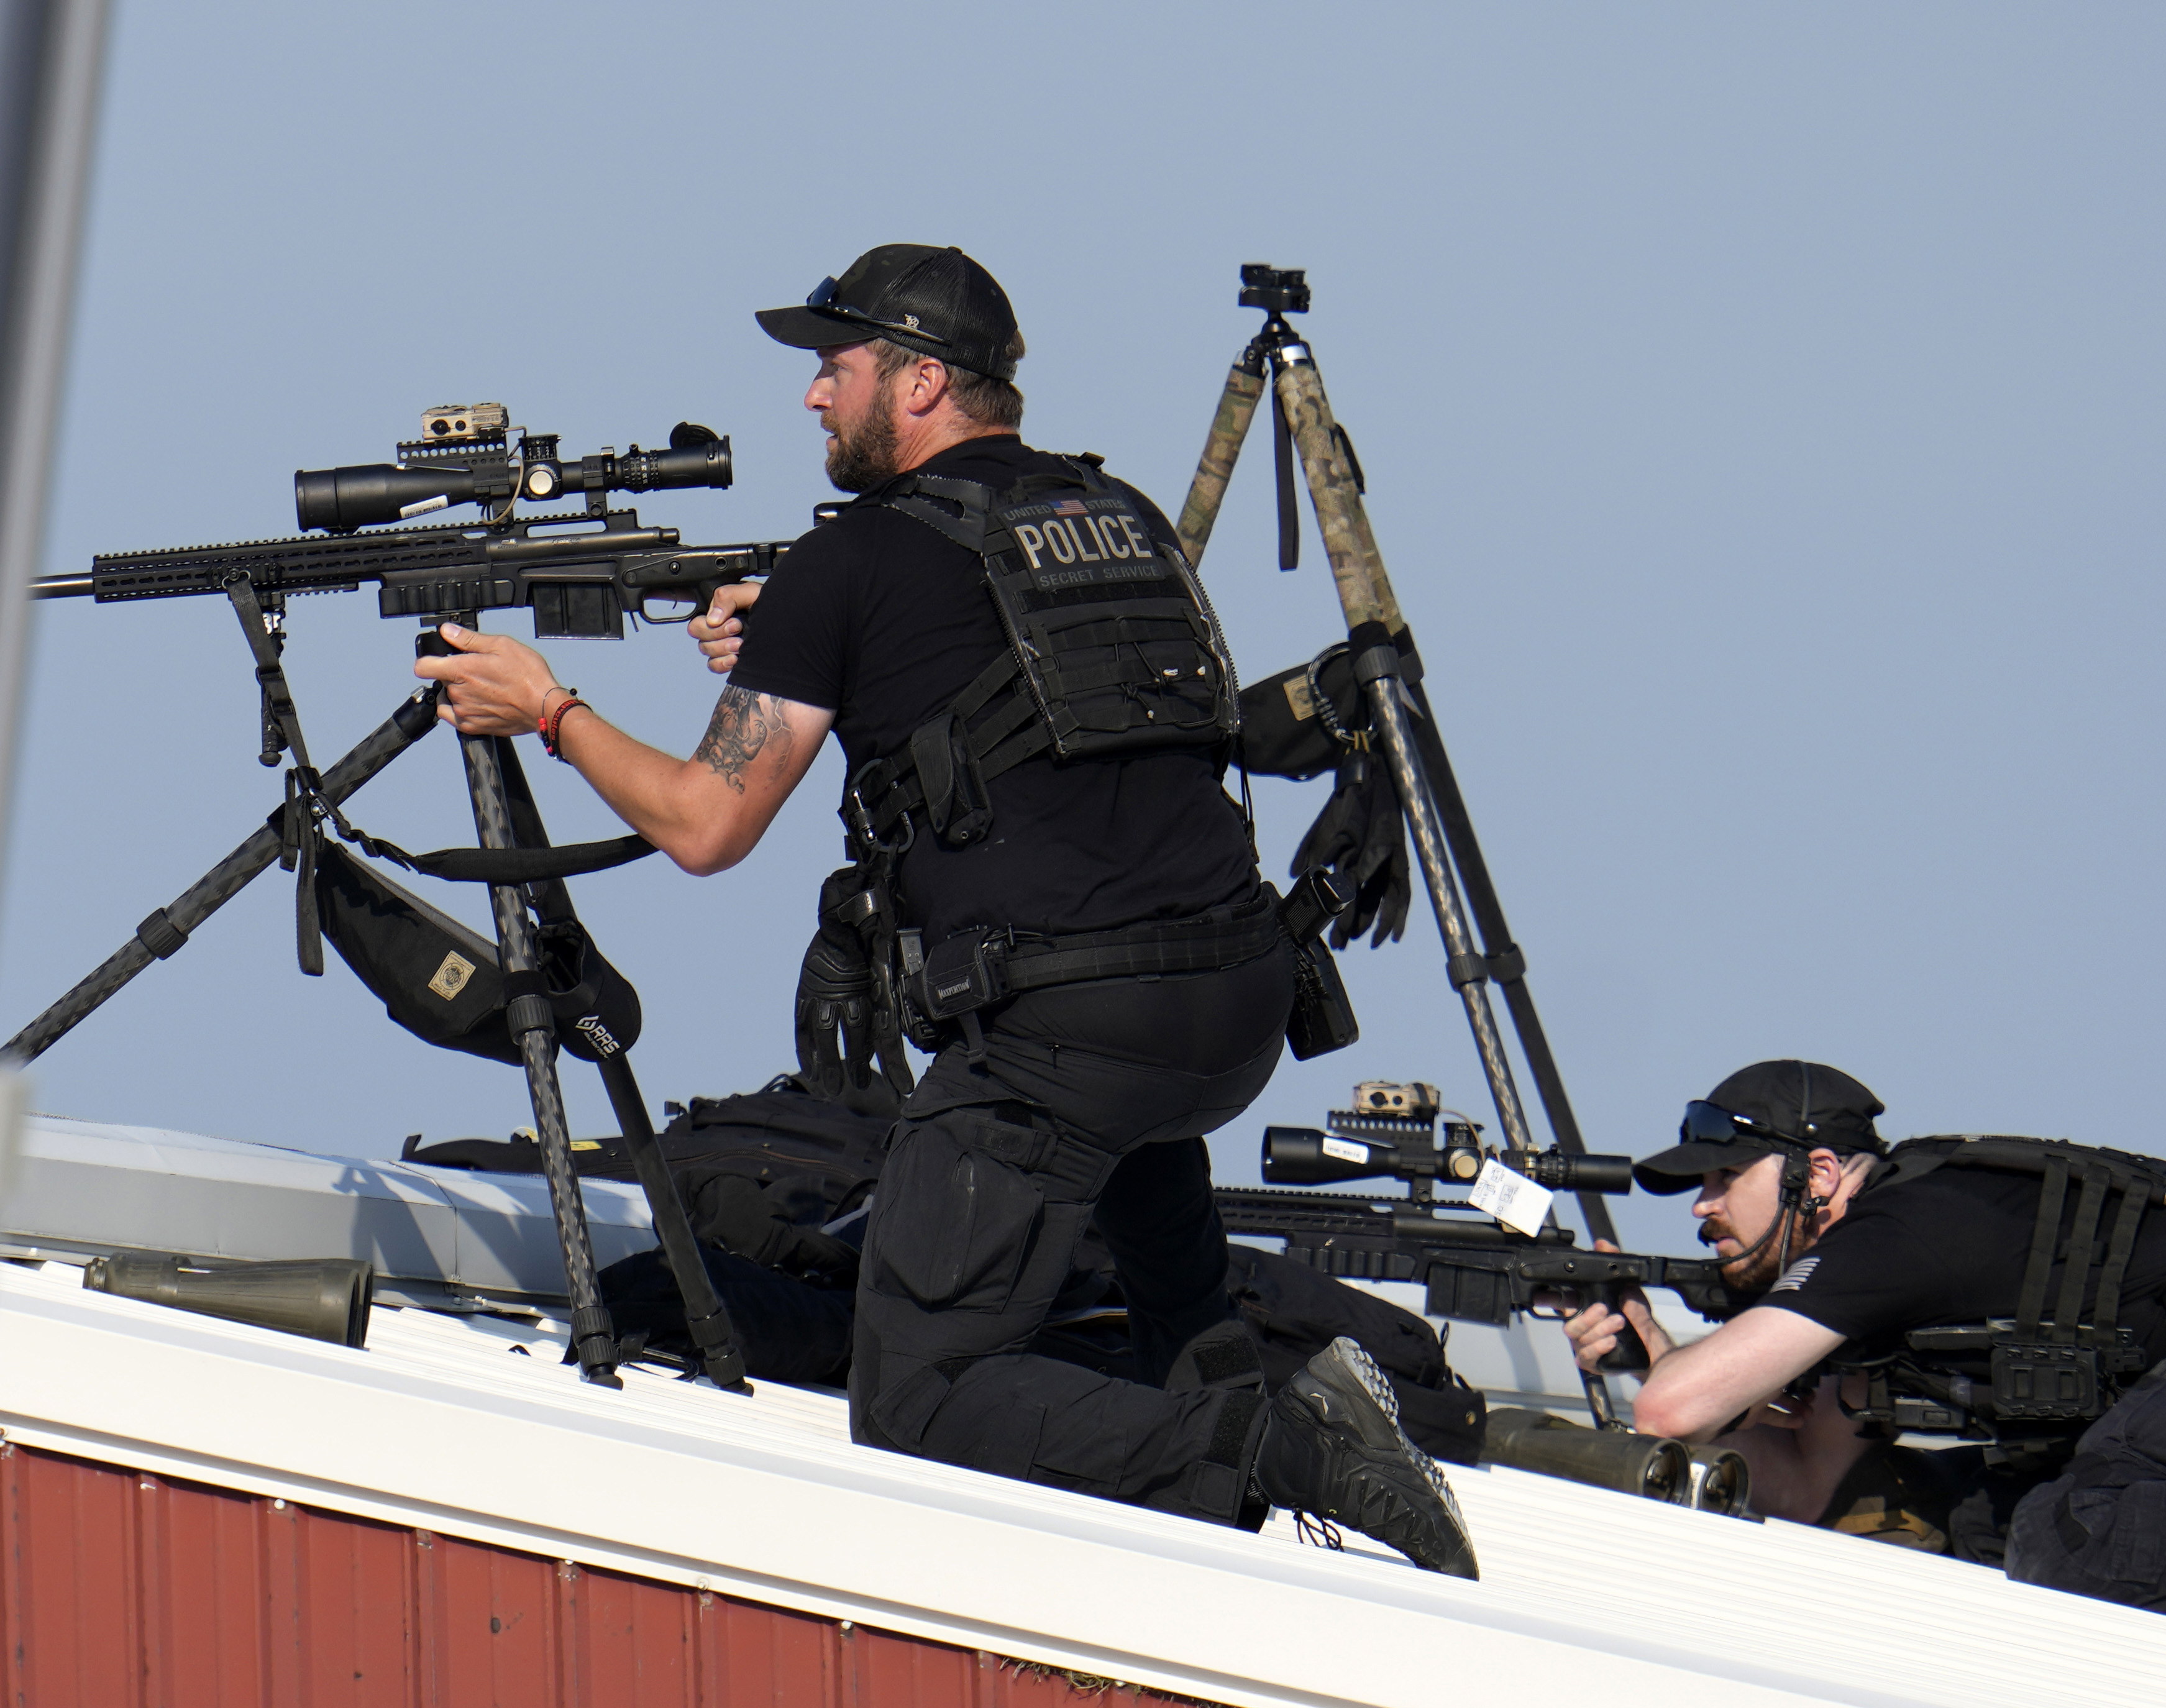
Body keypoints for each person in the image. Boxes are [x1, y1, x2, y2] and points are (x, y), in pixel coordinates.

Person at [419, 244, 1476, 1579]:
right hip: (1230, 1001)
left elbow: (706, 822)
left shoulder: (848, 567)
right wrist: (812, 644)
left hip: (1065, 1031)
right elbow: (1032, 690)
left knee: (918, 1394)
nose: (812, 397)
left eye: (835, 366)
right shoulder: (1121, 515)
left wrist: (548, 711)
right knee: (1160, 1252)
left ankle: (1290, 1451)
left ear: (919, 382)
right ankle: (1265, 1424)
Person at [1563, 1060, 2166, 1682]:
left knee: (2077, 1528)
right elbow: (1809, 1480)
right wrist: (1660, 1352)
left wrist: (1665, 1362)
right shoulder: (1887, 1274)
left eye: (1722, 1179)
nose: (1701, 1207)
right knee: (1998, 1520)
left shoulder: (1896, 1234)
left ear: (1817, 1176)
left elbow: (1672, 1403)